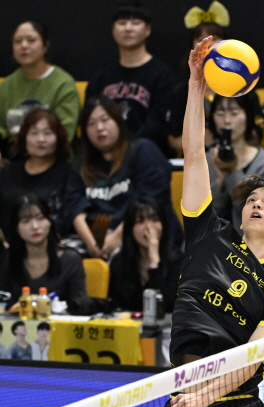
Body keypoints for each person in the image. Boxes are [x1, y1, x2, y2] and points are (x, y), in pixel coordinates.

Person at [162, 36, 264, 407]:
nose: (257, 204)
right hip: (181, 403)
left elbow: (252, 357)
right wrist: (196, 84)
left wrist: (203, 399)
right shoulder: (208, 234)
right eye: (251, 199)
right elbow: (194, 155)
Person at [63, 95, 182, 259]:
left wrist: (115, 238)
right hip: (98, 236)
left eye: (105, 120)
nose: (99, 128)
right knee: (64, 256)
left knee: (122, 257)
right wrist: (92, 243)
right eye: (91, 123)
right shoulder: (81, 166)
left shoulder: (143, 151)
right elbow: (75, 209)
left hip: (143, 232)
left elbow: (148, 203)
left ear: (118, 121)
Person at [86, 1, 176, 158]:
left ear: (147, 30)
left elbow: (158, 126)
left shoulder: (162, 76)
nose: (128, 28)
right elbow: (89, 120)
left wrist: (126, 149)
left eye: (135, 23)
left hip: (147, 156)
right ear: (113, 30)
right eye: (122, 23)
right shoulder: (100, 78)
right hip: (106, 156)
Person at [0, 195, 95, 315]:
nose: (35, 226)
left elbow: (81, 303)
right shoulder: (7, 259)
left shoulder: (70, 259)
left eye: (40, 218)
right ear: (16, 228)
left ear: (50, 221)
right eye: (26, 221)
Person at [0, 21, 79, 157]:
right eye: (18, 41)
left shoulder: (63, 84)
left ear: (45, 46)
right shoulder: (6, 86)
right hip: (14, 158)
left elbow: (64, 134)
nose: (24, 46)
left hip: (54, 159)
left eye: (31, 40)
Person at [207, 91, 264, 235]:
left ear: (248, 116)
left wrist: (233, 171)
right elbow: (201, 218)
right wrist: (219, 183)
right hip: (210, 243)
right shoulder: (205, 160)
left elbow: (257, 214)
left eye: (234, 113)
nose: (226, 120)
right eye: (220, 113)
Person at [167, 2, 229, 154]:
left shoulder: (239, 85)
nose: (207, 44)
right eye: (200, 39)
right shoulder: (182, 91)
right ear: (192, 47)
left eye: (214, 38)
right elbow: (173, 139)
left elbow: (254, 135)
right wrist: (197, 140)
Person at [0, 108, 71, 238]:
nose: (41, 139)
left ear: (58, 138)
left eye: (47, 133)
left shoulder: (69, 174)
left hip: (53, 244)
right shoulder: (7, 173)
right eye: (34, 133)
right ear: (24, 138)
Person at [109, 196, 182, 312]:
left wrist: (154, 261)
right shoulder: (119, 263)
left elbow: (166, 305)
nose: (148, 227)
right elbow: (120, 305)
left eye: (154, 219)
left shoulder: (178, 261)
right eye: (140, 221)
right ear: (130, 228)